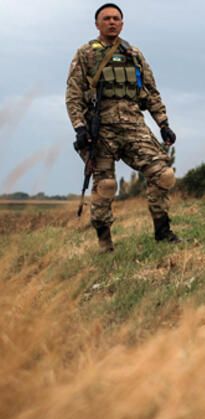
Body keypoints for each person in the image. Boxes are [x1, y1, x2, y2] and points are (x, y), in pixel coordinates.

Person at [66, 3, 180, 251]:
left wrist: (163, 123)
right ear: (97, 24)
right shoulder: (85, 54)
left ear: (122, 23)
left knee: (163, 174)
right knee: (105, 186)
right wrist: (79, 127)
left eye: (116, 18)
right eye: (106, 18)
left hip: (133, 126)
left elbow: (150, 92)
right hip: (101, 130)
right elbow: (73, 95)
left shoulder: (134, 54)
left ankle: (163, 232)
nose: (111, 22)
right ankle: (105, 243)